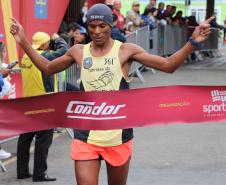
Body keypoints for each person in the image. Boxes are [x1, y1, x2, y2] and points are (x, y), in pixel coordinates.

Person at [10, 3, 214, 185]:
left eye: (102, 26)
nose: (97, 31)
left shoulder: (126, 50)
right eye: (92, 26)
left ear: (111, 26)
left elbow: (168, 65)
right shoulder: (79, 51)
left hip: (118, 136)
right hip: (85, 136)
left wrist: (193, 43)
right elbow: (47, 67)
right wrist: (23, 41)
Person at [16, 32, 67, 182]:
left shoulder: (26, 56)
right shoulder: (44, 56)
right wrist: (58, 39)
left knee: (25, 138)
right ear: (45, 44)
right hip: (44, 102)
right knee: (43, 139)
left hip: (28, 102)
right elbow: (64, 50)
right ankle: (39, 173)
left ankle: (22, 171)